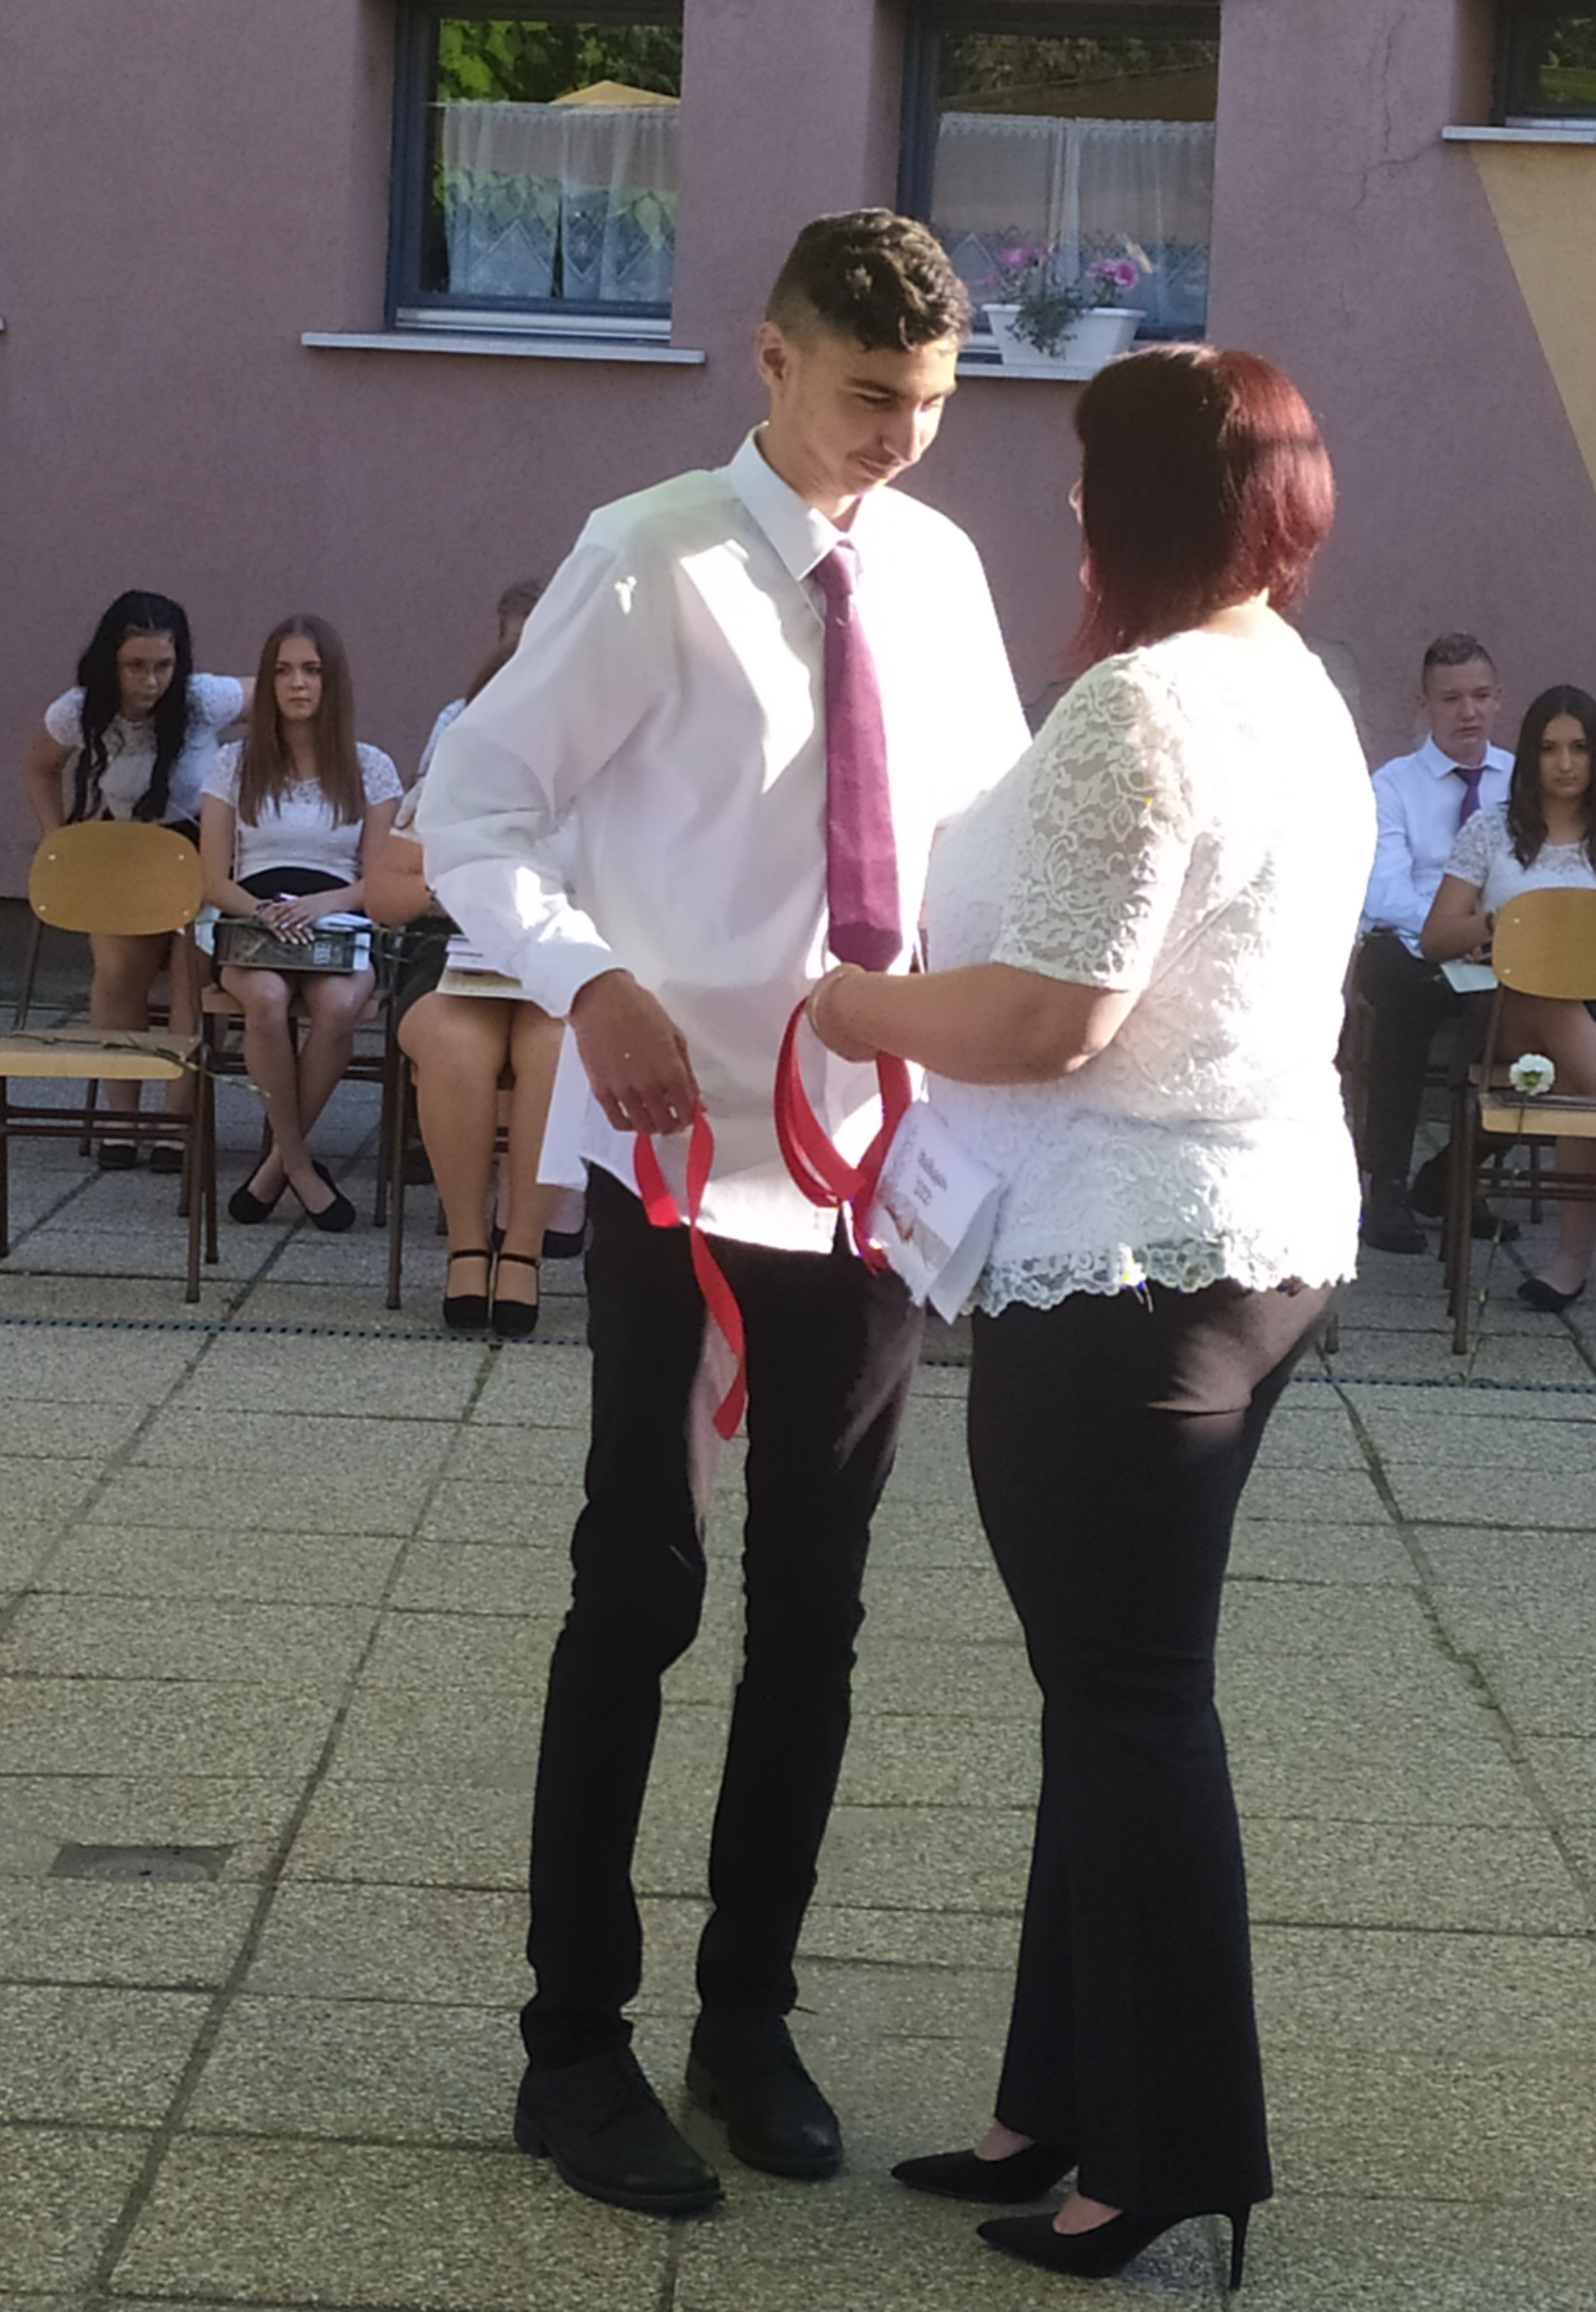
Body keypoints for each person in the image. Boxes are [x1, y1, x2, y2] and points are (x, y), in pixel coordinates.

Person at [416, 210, 1030, 2219]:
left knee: (815, 1608)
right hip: (677, 1162)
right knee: (641, 1586)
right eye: (867, 396)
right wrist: (586, 978)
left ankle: (745, 2011)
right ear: (770, 362)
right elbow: (474, 802)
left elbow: (986, 841)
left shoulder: (937, 573)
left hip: (870, 1173)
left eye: (929, 403)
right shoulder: (650, 556)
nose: (899, 438)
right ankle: (571, 2043)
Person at [809, 347, 1363, 2288]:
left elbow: (1054, 1014)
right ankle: (1056, 2102)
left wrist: (851, 1004)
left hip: (1126, 1264)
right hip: (1237, 1239)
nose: (1059, 509)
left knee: (1127, 1702)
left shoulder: (1144, 703)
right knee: (1103, 1694)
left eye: (1080, 480)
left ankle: (1165, 2150)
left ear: (1129, 507)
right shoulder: (1285, 679)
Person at [1417, 682, 1596, 1312]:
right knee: (1547, 997)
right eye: (1550, 749)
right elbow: (1435, 937)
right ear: (1530, 756)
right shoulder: (1491, 830)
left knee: (1576, 1058)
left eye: (1579, 748)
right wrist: (1505, 926)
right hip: (1505, 1010)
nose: (1565, 764)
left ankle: (1570, 1264)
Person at [19, 591, 247, 1166]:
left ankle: (175, 1123)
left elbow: (279, 692)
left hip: (196, 854)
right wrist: (58, 841)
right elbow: (40, 766)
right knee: (120, 974)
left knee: (192, 977)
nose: (150, 681)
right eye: (135, 666)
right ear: (110, 662)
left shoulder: (202, 700)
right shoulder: (78, 711)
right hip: (121, 852)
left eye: (163, 666)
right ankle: (122, 1122)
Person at [198, 613, 399, 1233]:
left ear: (332, 681)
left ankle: (276, 1167)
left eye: (311, 670)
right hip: (253, 915)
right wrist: (262, 911)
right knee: (264, 996)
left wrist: (325, 904)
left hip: (338, 917)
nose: (297, 684)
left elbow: (384, 879)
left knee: (338, 1004)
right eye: (283, 671)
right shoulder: (234, 764)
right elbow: (211, 880)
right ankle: (299, 1164)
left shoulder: (371, 767)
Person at [361, 782, 568, 1334]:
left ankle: (523, 1249)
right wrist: (456, 885)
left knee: (560, 1049)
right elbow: (383, 897)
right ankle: (467, 1246)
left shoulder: (609, 781)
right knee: (455, 1044)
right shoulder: (454, 779)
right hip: (451, 953)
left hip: (564, 954)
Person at [1344, 632, 1509, 1252]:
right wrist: (1452, 932)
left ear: (1499, 700)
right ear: (1424, 704)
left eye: (1481, 696)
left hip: (1497, 945)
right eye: (1451, 699)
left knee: (1521, 1015)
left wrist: (1483, 936)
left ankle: (1454, 1177)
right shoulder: (1393, 786)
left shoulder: (1521, 782)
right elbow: (1384, 892)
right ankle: (1386, 1185)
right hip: (1407, 944)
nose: (1468, 712)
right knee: (1406, 1003)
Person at [423, 578, 550, 777]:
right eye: (517, 645)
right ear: (501, 645)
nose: (528, 657)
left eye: (540, 644)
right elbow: (427, 788)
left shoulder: (575, 728)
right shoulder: (457, 719)